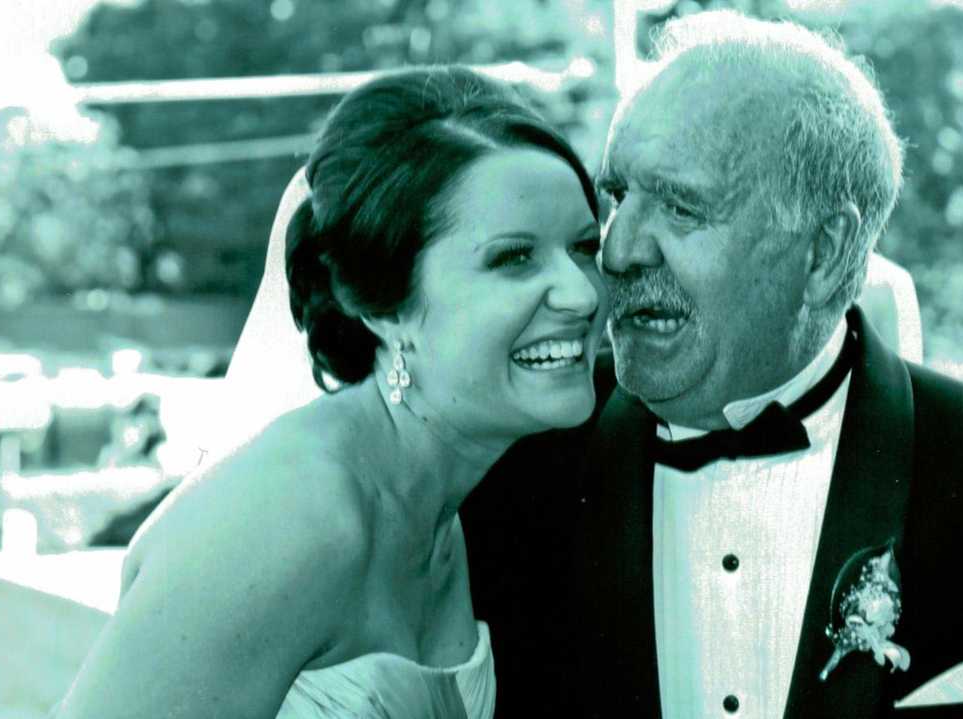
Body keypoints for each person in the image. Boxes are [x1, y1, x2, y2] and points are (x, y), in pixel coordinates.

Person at [572, 11, 963, 718]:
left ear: (826, 252)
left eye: (681, 206)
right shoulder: (515, 474)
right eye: (616, 195)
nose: (617, 252)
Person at [51, 65, 609, 719]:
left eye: (583, 247)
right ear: (380, 300)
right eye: (514, 257)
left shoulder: (441, 504)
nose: (581, 292)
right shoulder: (286, 519)